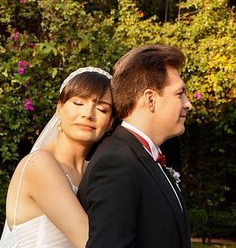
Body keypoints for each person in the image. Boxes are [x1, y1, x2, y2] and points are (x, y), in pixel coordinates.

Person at [78, 44, 192, 248]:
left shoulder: (145, 157)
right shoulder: (116, 164)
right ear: (150, 99)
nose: (187, 103)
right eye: (179, 94)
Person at [0, 67, 113, 248]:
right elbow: (91, 242)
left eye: (101, 108)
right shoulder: (39, 164)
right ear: (59, 108)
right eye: (78, 103)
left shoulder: (95, 171)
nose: (88, 114)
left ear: (110, 123)